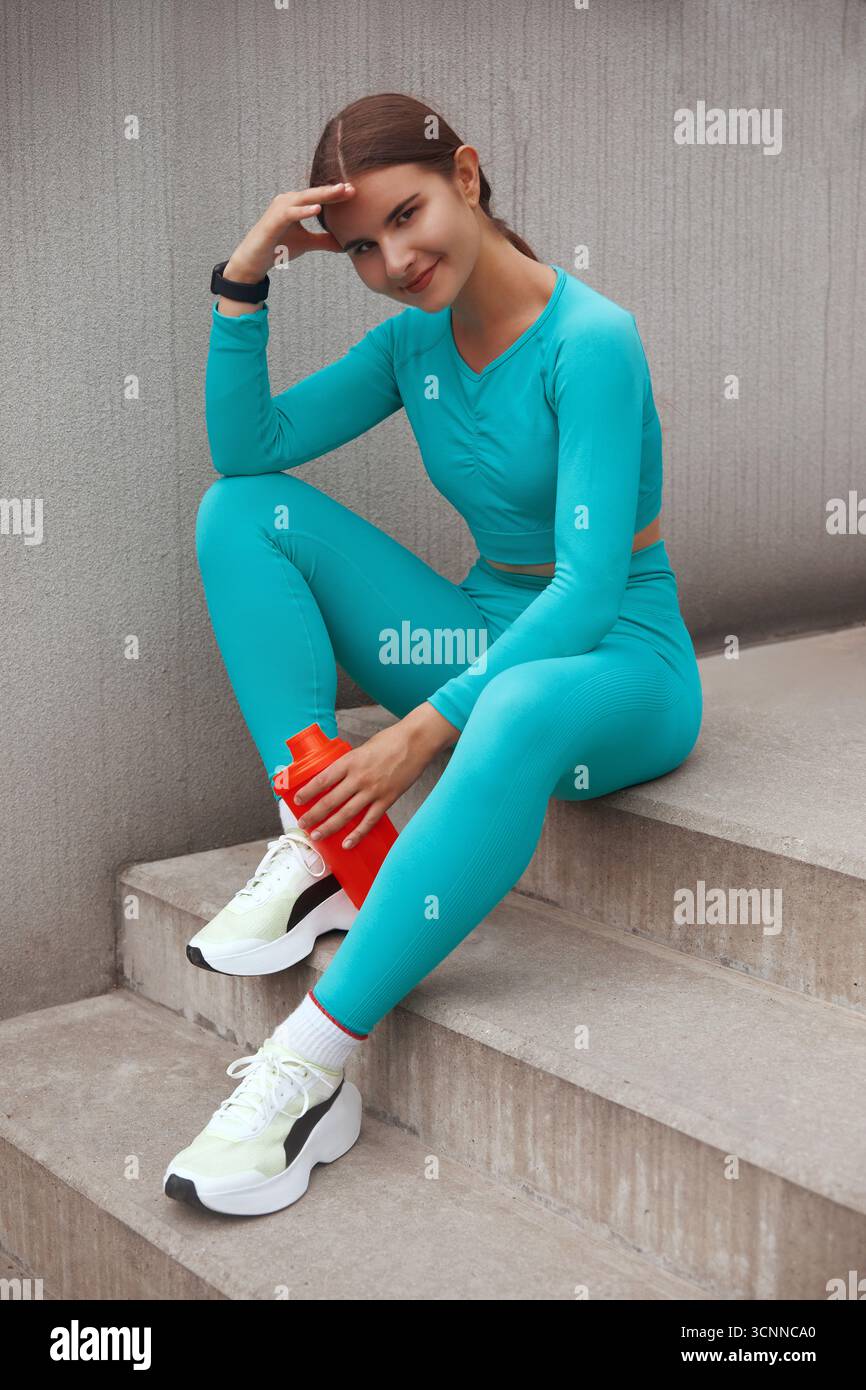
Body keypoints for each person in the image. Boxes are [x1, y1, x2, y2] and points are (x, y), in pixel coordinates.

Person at [163, 92, 703, 1216]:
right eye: (360, 247)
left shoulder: (589, 340)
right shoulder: (412, 341)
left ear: (466, 174)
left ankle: (310, 1066)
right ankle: (319, 823)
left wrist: (420, 729)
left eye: (406, 216)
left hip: (619, 659)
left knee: (499, 713)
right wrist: (244, 276)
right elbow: (248, 448)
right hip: (481, 630)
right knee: (238, 511)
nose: (394, 260)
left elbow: (587, 587)